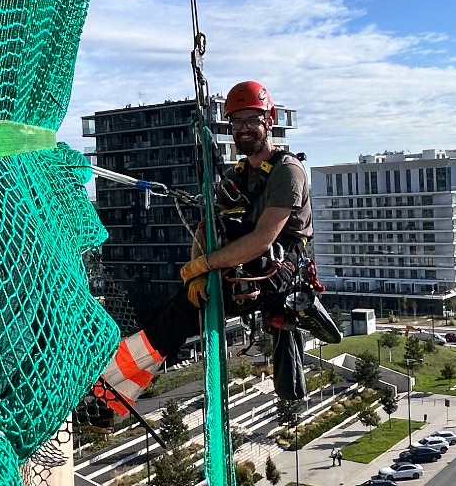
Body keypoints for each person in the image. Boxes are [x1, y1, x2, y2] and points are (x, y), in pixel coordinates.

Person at [84, 79, 340, 423]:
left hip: (277, 273)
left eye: (252, 120)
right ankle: (107, 397)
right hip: (242, 267)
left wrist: (203, 266)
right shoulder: (237, 176)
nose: (244, 129)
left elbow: (264, 239)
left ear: (271, 119)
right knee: (171, 320)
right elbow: (207, 226)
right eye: (236, 123)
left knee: (173, 321)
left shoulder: (287, 171)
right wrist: (196, 271)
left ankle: (105, 396)